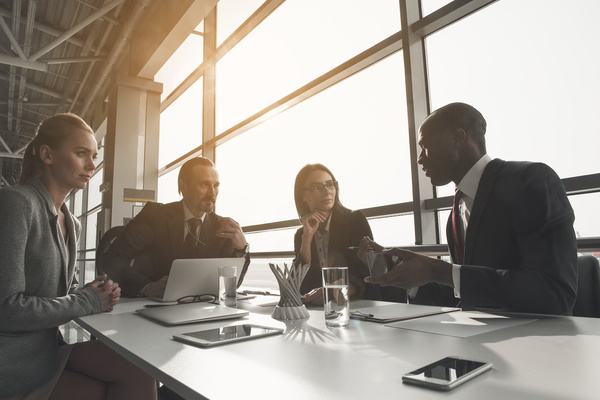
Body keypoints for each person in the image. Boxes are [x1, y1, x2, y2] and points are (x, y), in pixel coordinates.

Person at [363, 102, 577, 315]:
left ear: (458, 138)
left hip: (539, 343)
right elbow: (466, 295)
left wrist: (436, 270)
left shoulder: (531, 180)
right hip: (483, 341)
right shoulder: (455, 214)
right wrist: (407, 276)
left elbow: (554, 294)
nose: (420, 158)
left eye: (425, 146)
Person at [0, 113, 156, 399]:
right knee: (115, 388)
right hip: (14, 366)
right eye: (81, 153)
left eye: (94, 155)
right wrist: (85, 300)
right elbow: (6, 308)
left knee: (140, 367)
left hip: (48, 351)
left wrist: (94, 291)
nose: (92, 165)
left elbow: (65, 291)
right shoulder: (15, 204)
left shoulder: (72, 221)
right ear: (47, 154)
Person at [101, 157, 250, 298]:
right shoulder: (155, 215)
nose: (212, 193)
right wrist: (146, 287)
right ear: (183, 186)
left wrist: (241, 250)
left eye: (216, 185)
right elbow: (111, 259)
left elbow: (230, 285)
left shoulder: (223, 227)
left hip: (201, 312)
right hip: (153, 306)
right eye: (204, 184)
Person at [293, 163, 383, 304]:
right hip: (318, 310)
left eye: (330, 184)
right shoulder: (302, 235)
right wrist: (307, 238)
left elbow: (367, 270)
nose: (327, 191)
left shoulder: (354, 220)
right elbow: (297, 284)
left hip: (358, 304)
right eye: (316, 187)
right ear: (302, 196)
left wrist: (343, 288)